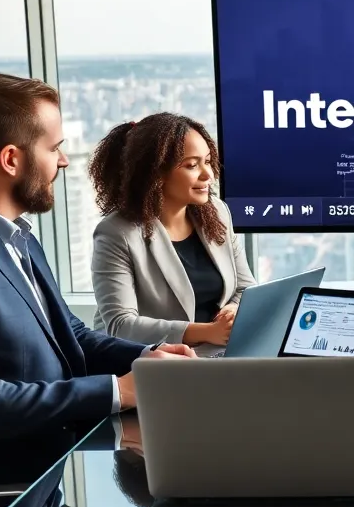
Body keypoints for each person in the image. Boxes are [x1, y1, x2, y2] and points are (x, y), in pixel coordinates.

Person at [0, 74, 195, 450]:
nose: (62, 161)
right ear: (11, 159)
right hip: (11, 487)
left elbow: (69, 336)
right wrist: (121, 391)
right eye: (53, 148)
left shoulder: (14, 234)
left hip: (60, 454)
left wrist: (148, 359)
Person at [88, 113, 255, 349]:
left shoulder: (217, 212)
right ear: (156, 174)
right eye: (192, 165)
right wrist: (206, 332)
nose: (208, 175)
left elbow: (245, 288)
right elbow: (121, 325)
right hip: (150, 362)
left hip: (214, 354)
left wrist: (233, 309)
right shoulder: (116, 233)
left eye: (207, 161)